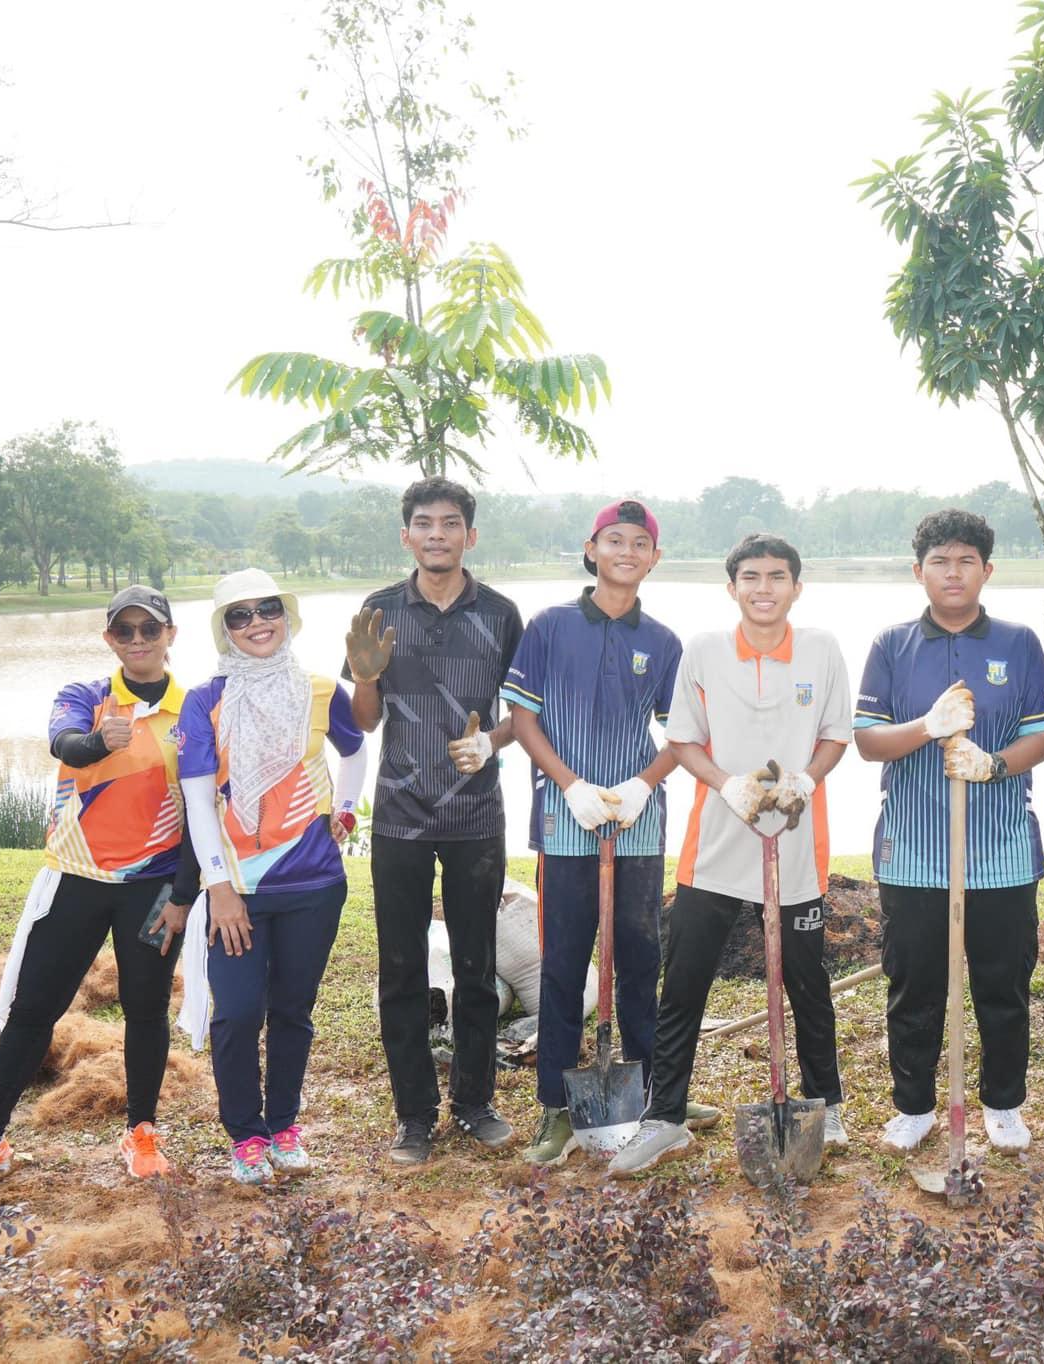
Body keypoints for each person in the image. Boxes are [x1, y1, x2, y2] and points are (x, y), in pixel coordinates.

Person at [0, 587, 198, 1193]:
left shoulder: (195, 709)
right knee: (33, 1011)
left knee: (146, 1010)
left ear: (171, 634)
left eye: (150, 629)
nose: (139, 640)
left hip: (152, 889)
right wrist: (102, 742)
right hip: (76, 878)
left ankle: (141, 1132)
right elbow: (63, 742)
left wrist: (183, 892)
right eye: (125, 631)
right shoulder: (85, 697)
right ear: (110, 641)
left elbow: (203, 808)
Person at [609, 533, 853, 1176]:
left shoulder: (823, 649)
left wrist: (804, 779)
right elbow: (684, 740)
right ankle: (665, 1118)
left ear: (797, 587)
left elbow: (836, 734)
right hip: (717, 846)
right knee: (684, 984)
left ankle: (825, 1105)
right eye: (751, 576)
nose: (764, 588)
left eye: (777, 577)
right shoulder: (706, 651)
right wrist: (730, 786)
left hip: (797, 845)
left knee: (806, 984)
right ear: (732, 587)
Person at [855, 509, 1044, 1154]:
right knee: (914, 985)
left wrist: (992, 764)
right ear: (919, 572)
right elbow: (866, 741)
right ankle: (914, 1106)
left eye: (966, 560)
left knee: (1003, 984)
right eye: (939, 561)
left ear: (986, 570)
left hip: (999, 853)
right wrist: (926, 728)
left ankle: (1003, 1104)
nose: (953, 572)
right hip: (914, 853)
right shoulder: (891, 646)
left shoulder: (1019, 643)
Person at [344, 477, 525, 1165]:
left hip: (477, 816)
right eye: (424, 523)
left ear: (470, 536)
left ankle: (475, 1104)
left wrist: (494, 741)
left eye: (451, 523)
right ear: (406, 535)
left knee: (477, 966)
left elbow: (527, 712)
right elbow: (365, 721)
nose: (438, 534)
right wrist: (365, 676)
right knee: (401, 968)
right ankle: (414, 1116)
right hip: (397, 815)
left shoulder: (502, 614)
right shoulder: (380, 610)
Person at [502, 500, 684, 1166]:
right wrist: (571, 785)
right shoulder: (549, 628)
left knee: (639, 961)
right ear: (592, 548)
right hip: (567, 821)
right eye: (616, 540)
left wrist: (644, 784)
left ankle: (651, 1097)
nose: (627, 551)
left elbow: (684, 731)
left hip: (636, 827)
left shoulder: (662, 642)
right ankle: (557, 1106)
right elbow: (522, 722)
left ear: (654, 558)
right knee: (562, 963)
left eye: (641, 543)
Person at [178, 569, 368, 1186]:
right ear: (223, 630)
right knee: (235, 1013)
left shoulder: (317, 688)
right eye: (240, 615)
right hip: (236, 890)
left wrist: (345, 807)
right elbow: (198, 799)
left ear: (287, 616)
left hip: (313, 884)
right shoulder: (205, 700)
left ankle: (283, 1125)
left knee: (293, 1010)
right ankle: (246, 1134)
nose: (257, 623)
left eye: (268, 610)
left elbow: (356, 745)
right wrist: (220, 888)